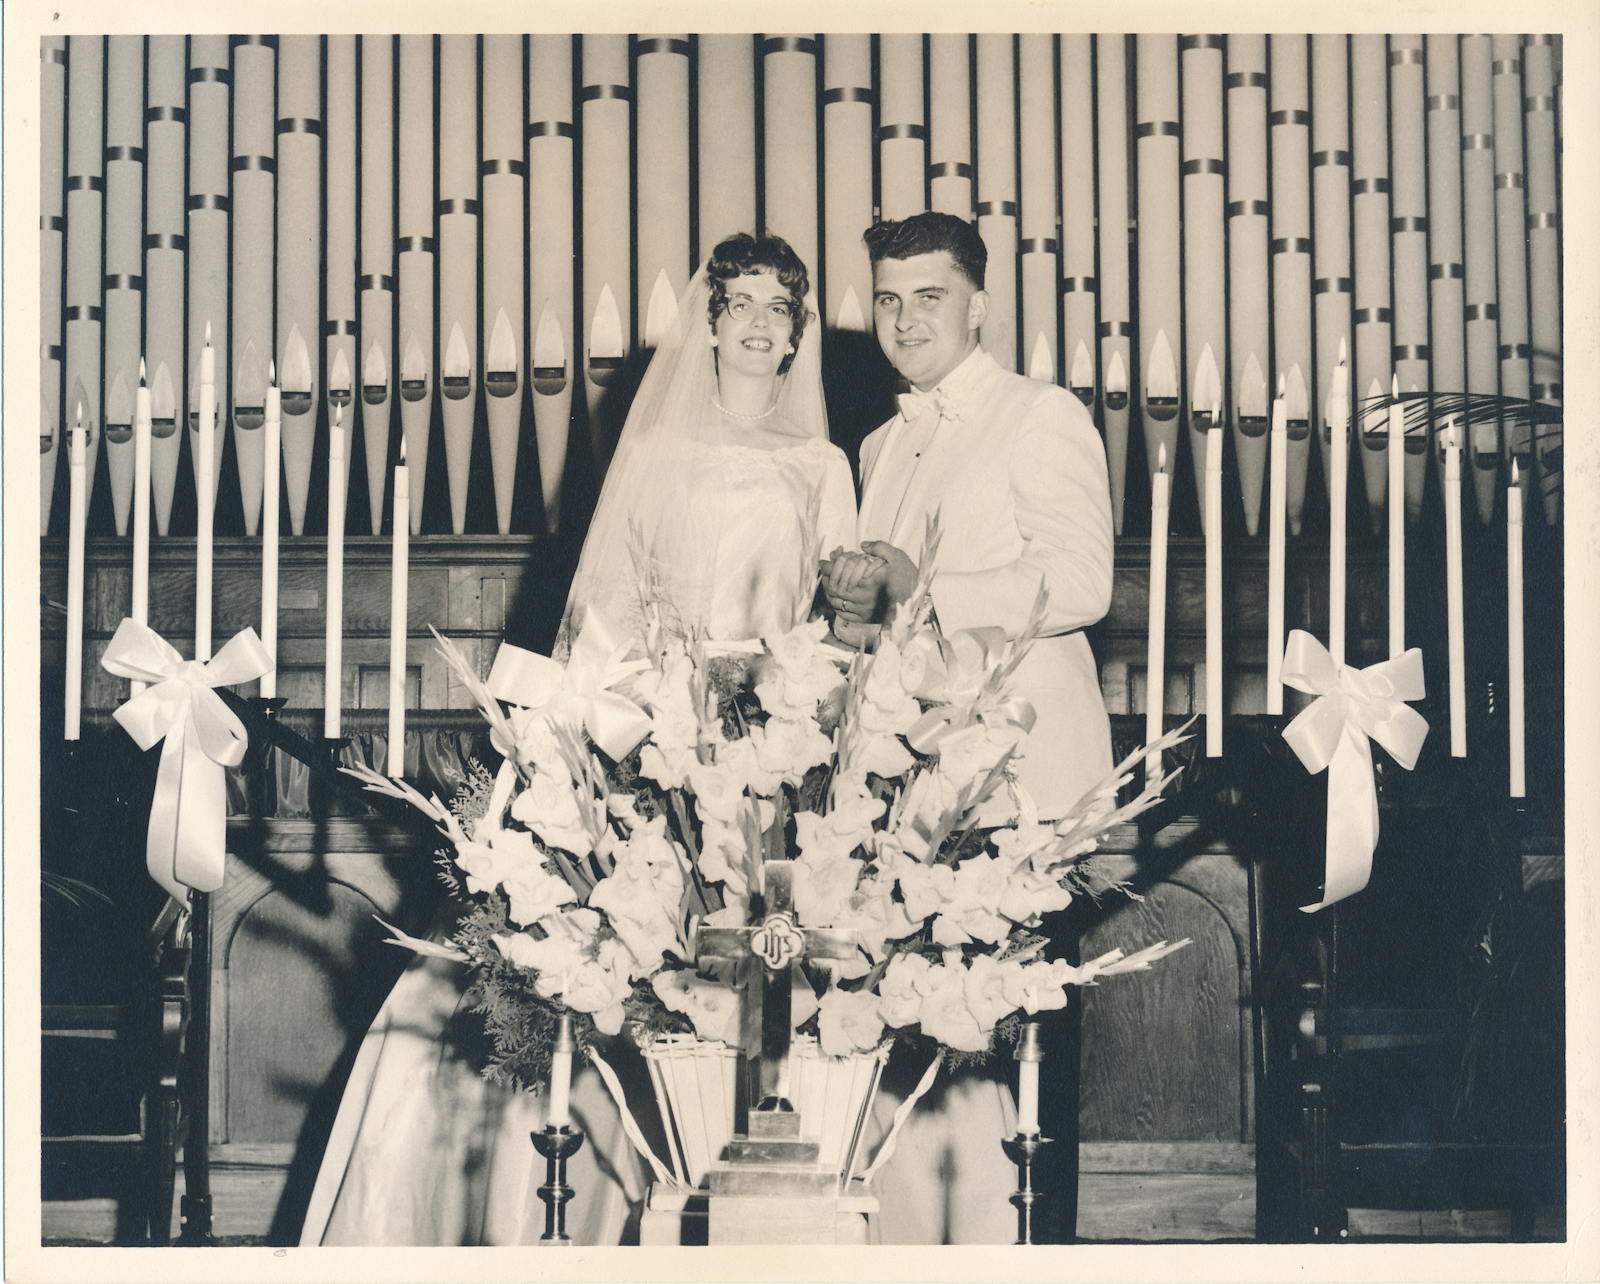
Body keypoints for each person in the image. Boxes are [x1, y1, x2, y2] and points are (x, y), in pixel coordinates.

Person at [300, 233, 856, 1247]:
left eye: (782, 308)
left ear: (795, 334)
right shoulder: (650, 455)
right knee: (623, 946)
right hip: (646, 724)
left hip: (770, 741)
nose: (760, 323)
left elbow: (832, 620)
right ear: (712, 321)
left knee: (761, 955)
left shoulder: (823, 465)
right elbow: (601, 606)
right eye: (740, 303)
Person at [825, 211, 1115, 1244]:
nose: (905, 318)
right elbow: (891, 620)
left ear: (979, 304)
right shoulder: (876, 444)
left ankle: (1035, 1251)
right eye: (889, 299)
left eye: (930, 296)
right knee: (927, 1045)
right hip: (919, 788)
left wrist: (928, 587)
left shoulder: (1040, 414)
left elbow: (1081, 581)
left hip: (1027, 780)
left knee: (1022, 1046)